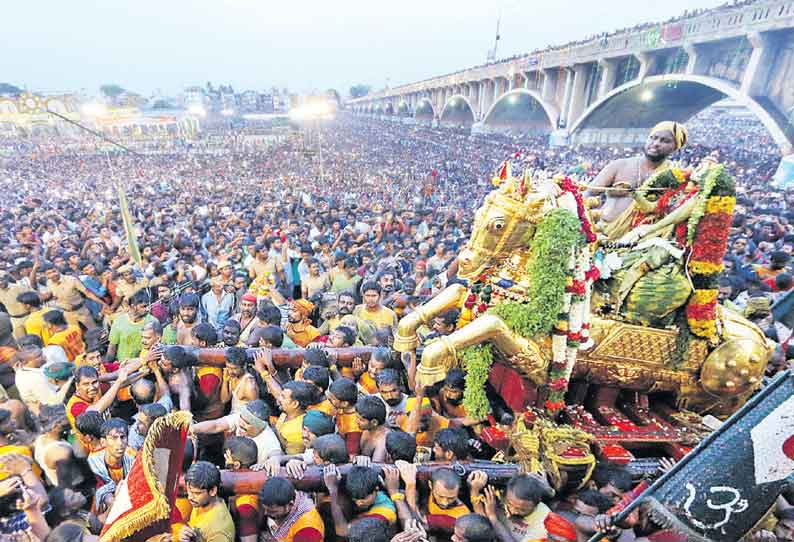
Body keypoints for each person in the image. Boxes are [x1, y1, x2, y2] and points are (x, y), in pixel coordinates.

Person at [587, 121, 687, 240]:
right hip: (604, 235)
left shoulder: (676, 177)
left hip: (643, 243)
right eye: (653, 138)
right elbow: (588, 194)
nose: (655, 144)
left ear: (676, 147)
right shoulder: (619, 166)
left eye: (665, 141)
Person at [87, 418, 137, 512]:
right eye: (113, 438)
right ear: (103, 442)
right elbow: (101, 491)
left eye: (122, 437)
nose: (120, 443)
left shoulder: (132, 462)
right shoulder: (93, 465)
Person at [179, 461, 235, 542]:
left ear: (212, 491)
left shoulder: (219, 531)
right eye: (189, 491)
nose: (190, 497)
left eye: (197, 493)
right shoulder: (201, 502)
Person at [258, 476, 325, 542]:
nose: (266, 513)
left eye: (272, 511)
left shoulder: (307, 530)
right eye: (265, 509)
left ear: (290, 504)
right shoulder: (294, 499)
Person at [42, 263, 108, 329]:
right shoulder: (49, 283)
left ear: (58, 270)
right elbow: (53, 295)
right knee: (76, 334)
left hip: (81, 311)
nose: (53, 274)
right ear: (46, 275)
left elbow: (88, 293)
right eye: (49, 273)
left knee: (94, 330)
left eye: (54, 271)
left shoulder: (71, 280)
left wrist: (103, 304)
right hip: (67, 313)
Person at [106, 290, 154, 362]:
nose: (147, 309)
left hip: (145, 364)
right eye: (143, 306)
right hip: (123, 365)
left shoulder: (152, 321)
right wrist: (109, 365)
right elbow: (112, 347)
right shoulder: (119, 322)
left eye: (147, 306)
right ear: (133, 307)